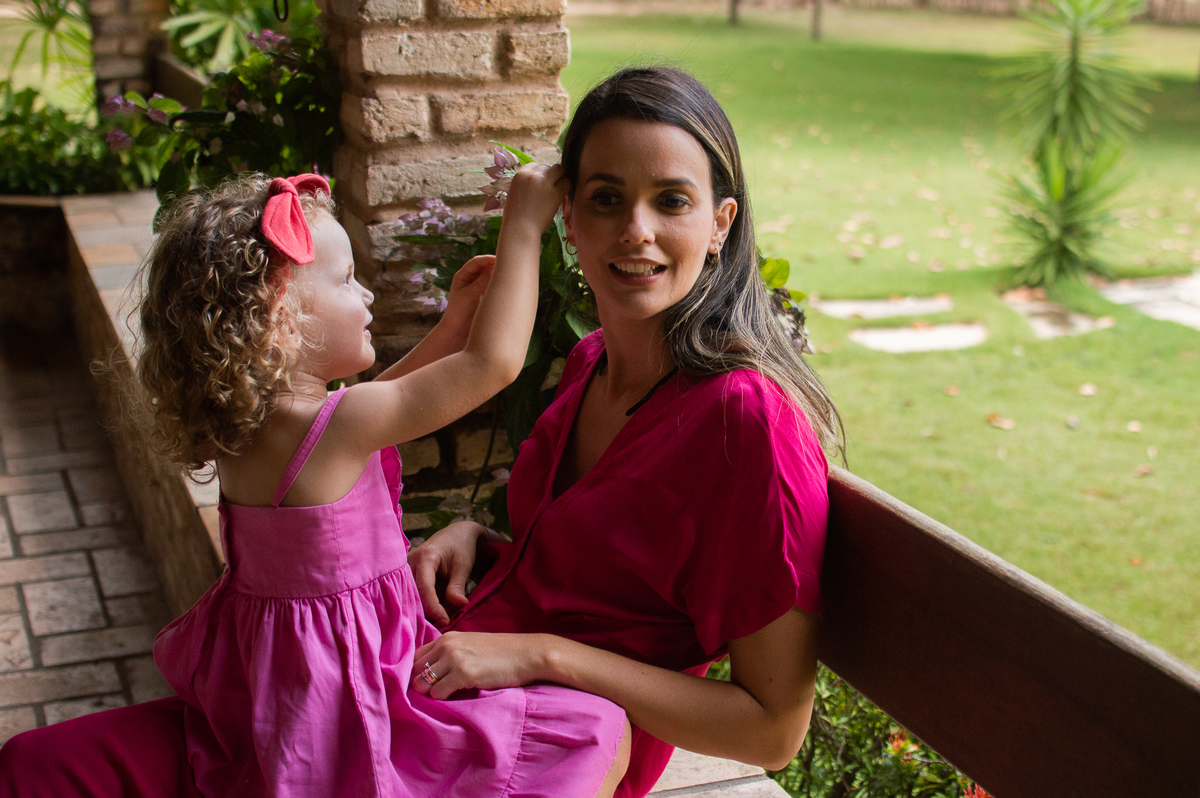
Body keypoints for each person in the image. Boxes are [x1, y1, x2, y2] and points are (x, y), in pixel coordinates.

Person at [0, 171, 630, 798]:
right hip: (353, 691)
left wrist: (452, 326)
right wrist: (523, 225)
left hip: (284, 688)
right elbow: (491, 367)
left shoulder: (256, 425)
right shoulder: (338, 428)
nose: (367, 296)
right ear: (281, 319)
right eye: (345, 280)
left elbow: (379, 406)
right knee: (596, 731)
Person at [405, 66, 842, 798]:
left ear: (720, 226)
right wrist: (484, 542)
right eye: (606, 200)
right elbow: (619, 579)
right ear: (569, 220)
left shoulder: (746, 425)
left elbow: (771, 732)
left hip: (554, 758)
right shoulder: (592, 362)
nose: (636, 230)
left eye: (671, 200)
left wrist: (540, 655)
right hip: (468, 705)